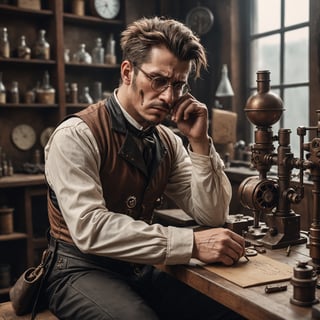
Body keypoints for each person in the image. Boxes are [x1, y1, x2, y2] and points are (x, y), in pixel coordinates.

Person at [43, 16, 246, 319]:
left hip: (138, 268)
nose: (169, 97)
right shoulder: (76, 135)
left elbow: (212, 215)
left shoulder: (168, 141)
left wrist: (201, 144)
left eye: (178, 84)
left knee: (226, 311)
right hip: (77, 271)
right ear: (127, 72)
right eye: (159, 80)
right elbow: (90, 229)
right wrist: (189, 243)